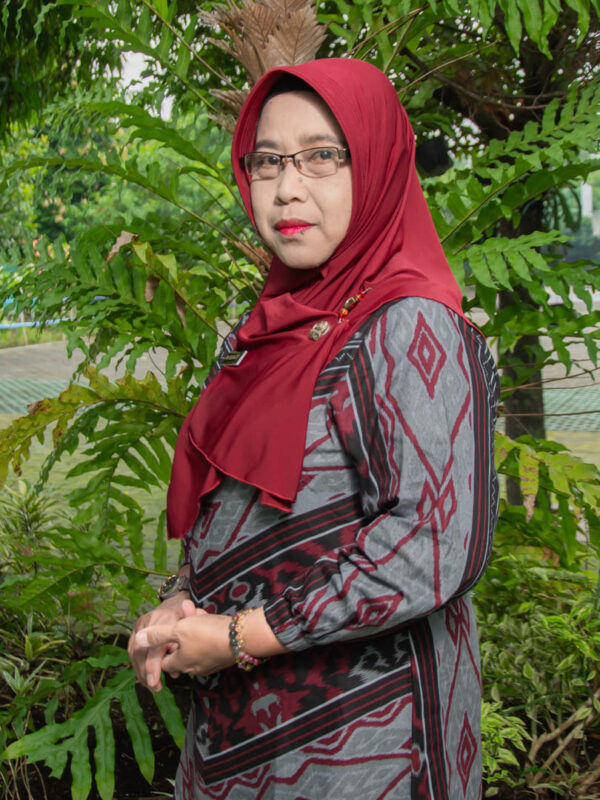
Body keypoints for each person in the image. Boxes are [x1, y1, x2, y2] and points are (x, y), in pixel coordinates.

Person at [128, 58, 499, 800]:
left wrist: (236, 637)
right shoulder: (275, 327)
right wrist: (185, 600)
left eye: (322, 156)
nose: (287, 188)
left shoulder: (407, 326)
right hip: (242, 738)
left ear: (379, 167)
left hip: (366, 743)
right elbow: (237, 506)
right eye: (268, 160)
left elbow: (432, 547)